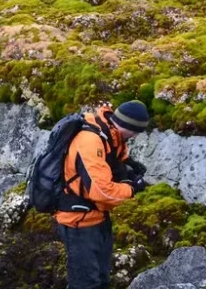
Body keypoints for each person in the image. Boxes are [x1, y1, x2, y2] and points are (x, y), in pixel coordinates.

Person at [55, 100, 150, 289]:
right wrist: (132, 189)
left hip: (97, 217)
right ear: (129, 127)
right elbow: (101, 192)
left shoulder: (108, 134)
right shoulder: (90, 141)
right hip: (78, 222)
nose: (135, 137)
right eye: (136, 132)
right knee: (86, 283)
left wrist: (129, 169)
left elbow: (112, 161)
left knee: (101, 279)